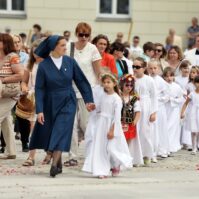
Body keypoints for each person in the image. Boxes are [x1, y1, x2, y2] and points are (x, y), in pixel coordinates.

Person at [29, 35, 95, 177]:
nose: (66, 48)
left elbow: (81, 81)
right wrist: (39, 110)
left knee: (61, 129)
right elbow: (39, 89)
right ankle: (57, 163)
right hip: (49, 102)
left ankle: (53, 166)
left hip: (67, 100)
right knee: (50, 131)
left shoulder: (70, 62)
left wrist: (88, 99)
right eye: (63, 45)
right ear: (54, 47)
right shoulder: (44, 65)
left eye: (66, 45)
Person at [65, 22, 101, 167]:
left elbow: (98, 72)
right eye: (81, 35)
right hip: (70, 90)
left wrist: (101, 90)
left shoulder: (93, 49)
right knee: (71, 125)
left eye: (87, 35)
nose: (84, 38)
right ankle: (72, 156)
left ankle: (92, 153)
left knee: (86, 124)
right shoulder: (69, 47)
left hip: (88, 91)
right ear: (76, 34)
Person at [82, 74, 132, 178]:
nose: (106, 84)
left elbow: (117, 117)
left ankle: (115, 165)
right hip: (101, 124)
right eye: (104, 82)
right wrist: (92, 107)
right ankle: (102, 170)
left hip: (112, 125)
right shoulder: (103, 96)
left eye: (108, 82)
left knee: (112, 147)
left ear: (114, 83)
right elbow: (99, 108)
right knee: (101, 147)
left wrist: (112, 130)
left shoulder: (117, 99)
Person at [21, 40, 45, 166]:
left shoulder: (49, 63)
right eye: (34, 51)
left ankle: (50, 153)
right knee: (33, 128)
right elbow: (24, 81)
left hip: (47, 98)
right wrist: (24, 87)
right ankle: (31, 157)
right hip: (33, 98)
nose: (36, 53)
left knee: (47, 127)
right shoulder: (29, 63)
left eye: (39, 50)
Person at [0, 33, 23, 160]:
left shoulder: (13, 57)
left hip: (9, 93)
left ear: (5, 43)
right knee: (6, 120)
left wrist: (3, 80)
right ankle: (11, 151)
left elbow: (20, 74)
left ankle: (10, 151)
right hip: (1, 94)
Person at [133, 57, 158, 166]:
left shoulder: (149, 80)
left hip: (146, 106)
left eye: (137, 67)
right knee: (135, 131)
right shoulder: (131, 79)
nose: (135, 69)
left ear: (144, 68)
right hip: (134, 105)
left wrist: (153, 112)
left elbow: (154, 96)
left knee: (145, 131)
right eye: (133, 66)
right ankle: (135, 156)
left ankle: (147, 155)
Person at [119, 74, 143, 166]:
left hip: (129, 124)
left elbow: (138, 111)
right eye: (127, 85)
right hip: (119, 123)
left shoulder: (134, 99)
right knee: (119, 142)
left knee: (127, 143)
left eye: (131, 85)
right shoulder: (118, 97)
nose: (129, 87)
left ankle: (126, 159)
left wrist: (135, 122)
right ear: (122, 85)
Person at [181, 75, 199, 155]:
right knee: (194, 132)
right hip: (193, 114)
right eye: (197, 82)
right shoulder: (192, 94)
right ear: (194, 83)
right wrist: (182, 112)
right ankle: (194, 148)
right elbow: (185, 103)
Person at [148, 60, 169, 159]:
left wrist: (158, 99)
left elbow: (167, 95)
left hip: (160, 108)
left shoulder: (161, 81)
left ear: (159, 69)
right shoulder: (147, 79)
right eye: (151, 68)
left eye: (155, 68)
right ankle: (151, 150)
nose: (153, 70)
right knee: (152, 130)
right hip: (149, 108)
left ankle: (163, 149)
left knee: (161, 128)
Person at [163, 67, 185, 153]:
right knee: (166, 126)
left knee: (173, 127)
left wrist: (172, 100)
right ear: (164, 77)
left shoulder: (177, 87)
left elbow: (181, 99)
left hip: (174, 109)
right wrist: (165, 99)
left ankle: (172, 145)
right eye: (167, 76)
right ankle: (165, 145)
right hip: (165, 108)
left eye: (171, 76)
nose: (169, 78)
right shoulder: (162, 85)